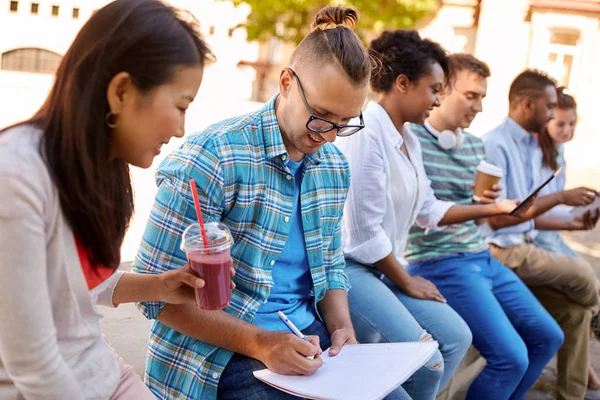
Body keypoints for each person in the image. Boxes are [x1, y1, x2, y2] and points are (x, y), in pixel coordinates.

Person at [132, 6, 410, 400]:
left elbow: (329, 266)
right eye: (320, 116)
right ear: (285, 82)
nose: (329, 137)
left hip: (305, 343)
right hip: (218, 354)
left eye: (345, 122)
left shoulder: (333, 165)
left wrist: (342, 328)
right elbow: (153, 294)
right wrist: (263, 344)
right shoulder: (211, 158)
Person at [0, 0, 220, 399]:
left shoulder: (96, 168)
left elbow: (66, 284)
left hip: (99, 370)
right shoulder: (16, 175)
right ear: (121, 91)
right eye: (180, 106)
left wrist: (159, 286)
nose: (182, 129)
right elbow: (33, 364)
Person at [336, 31, 523, 400]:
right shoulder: (366, 132)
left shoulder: (409, 138)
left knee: (456, 336)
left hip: (385, 268)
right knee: (428, 361)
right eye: (434, 89)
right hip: (353, 269)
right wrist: (406, 280)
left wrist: (493, 208)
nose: (438, 101)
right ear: (402, 83)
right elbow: (362, 235)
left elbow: (429, 209)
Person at [405, 54, 564, 400]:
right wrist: (491, 207)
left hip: (481, 256)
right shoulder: (412, 141)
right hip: (439, 261)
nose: (478, 106)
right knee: (510, 357)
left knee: (549, 337)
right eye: (471, 95)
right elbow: (422, 215)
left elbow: (484, 219)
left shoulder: (476, 147)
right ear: (441, 91)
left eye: (482, 98)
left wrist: (486, 207)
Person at [483, 69, 600, 400]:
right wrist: (562, 198)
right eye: (550, 108)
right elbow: (500, 220)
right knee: (584, 276)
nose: (552, 115)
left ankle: (571, 395)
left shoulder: (532, 149)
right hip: (501, 250)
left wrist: (572, 222)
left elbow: (529, 218)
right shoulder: (495, 145)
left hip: (524, 245)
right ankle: (598, 321)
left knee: (576, 312)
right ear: (526, 104)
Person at [534, 87, 600, 399]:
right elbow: (527, 211)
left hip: (553, 239)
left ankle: (574, 385)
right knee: (588, 281)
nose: (567, 130)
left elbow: (554, 208)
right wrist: (569, 217)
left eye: (572, 124)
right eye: (560, 123)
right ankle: (589, 356)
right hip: (533, 243)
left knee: (580, 309)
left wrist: (577, 215)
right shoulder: (532, 151)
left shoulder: (558, 153)